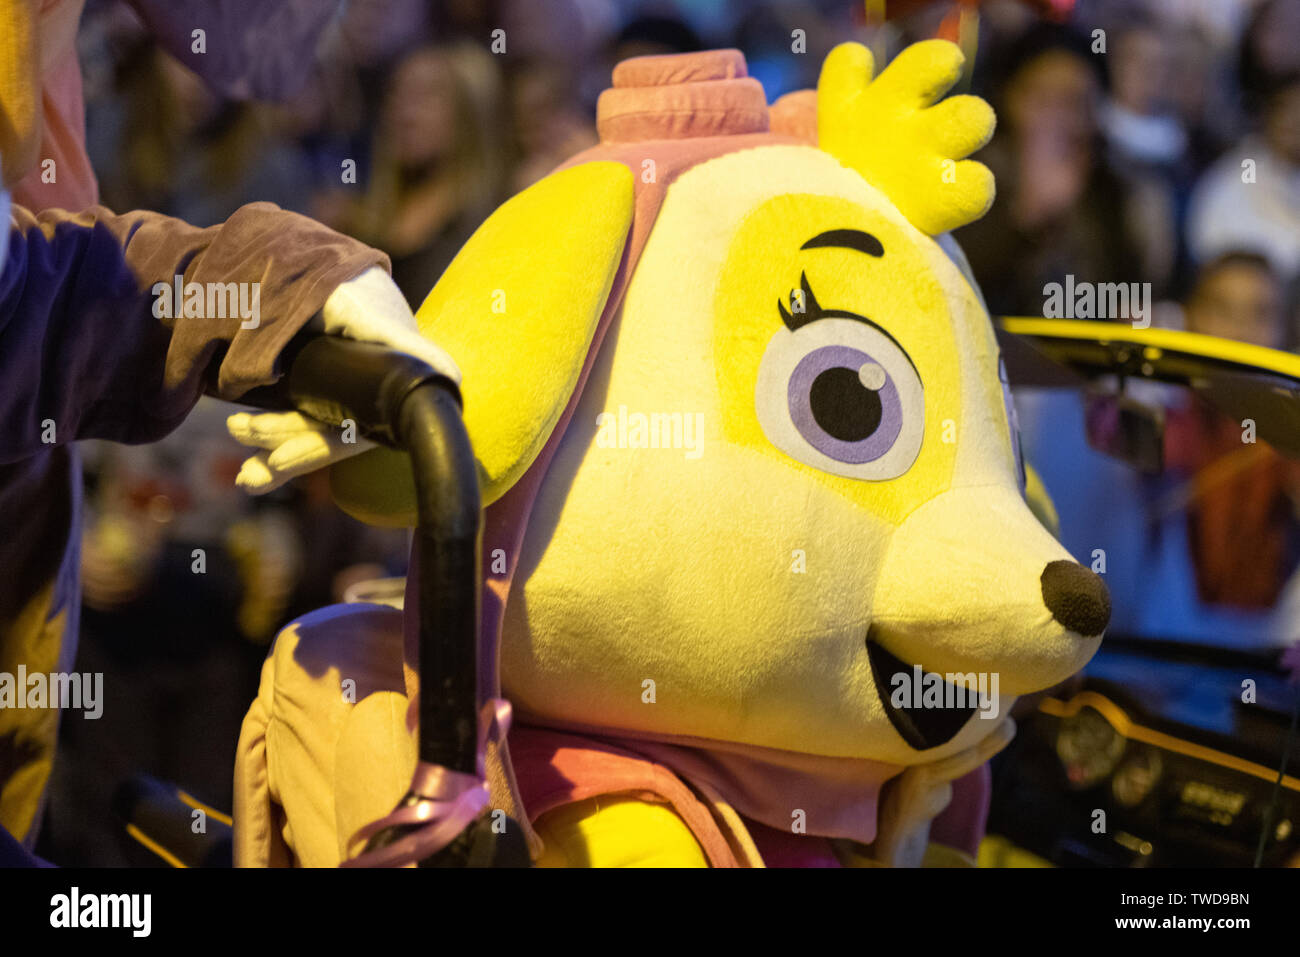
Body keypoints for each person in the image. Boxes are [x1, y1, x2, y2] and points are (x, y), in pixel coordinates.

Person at [0, 0, 459, 864]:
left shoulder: (263, 170)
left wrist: (309, 289)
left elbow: (87, 303)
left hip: (198, 517)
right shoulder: (120, 165)